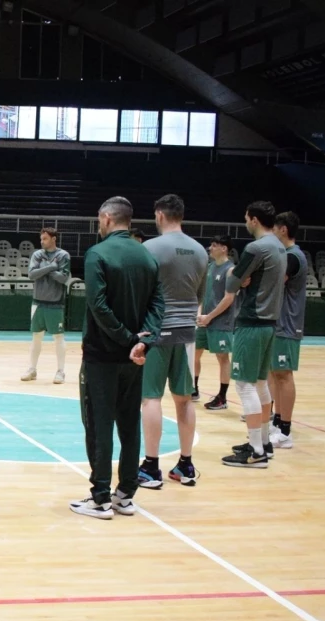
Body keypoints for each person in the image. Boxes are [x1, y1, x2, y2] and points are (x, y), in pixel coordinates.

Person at [70, 196, 164, 520]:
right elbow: (157, 306)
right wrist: (142, 344)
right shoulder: (147, 256)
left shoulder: (97, 254)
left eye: (99, 219)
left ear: (107, 218)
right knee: (129, 424)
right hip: (134, 360)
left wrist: (126, 340)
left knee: (99, 425)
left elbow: (97, 305)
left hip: (102, 357)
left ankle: (100, 498)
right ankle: (125, 494)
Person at [200, 201, 286, 468]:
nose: (245, 223)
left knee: (245, 385)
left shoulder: (256, 247)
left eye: (247, 218)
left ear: (255, 220)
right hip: (270, 323)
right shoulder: (280, 248)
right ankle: (263, 443)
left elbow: (233, 279)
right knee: (260, 383)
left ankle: (256, 452)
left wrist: (242, 279)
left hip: (252, 321)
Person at [136, 194, 207, 490]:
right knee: (184, 399)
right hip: (187, 334)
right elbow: (199, 296)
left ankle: (151, 466)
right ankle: (186, 464)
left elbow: (140, 291)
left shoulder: (150, 248)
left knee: (151, 398)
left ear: (160, 215)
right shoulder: (201, 251)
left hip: (157, 331)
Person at [267, 211, 308, 449]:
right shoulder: (286, 255)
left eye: (275, 229)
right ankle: (277, 420)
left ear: (283, 229)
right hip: (277, 324)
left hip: (288, 324)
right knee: (275, 373)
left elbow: (275, 280)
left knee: (284, 374)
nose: (272, 233)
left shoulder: (293, 257)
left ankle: (285, 430)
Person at [22, 227, 70, 384]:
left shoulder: (63, 255)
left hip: (56, 303)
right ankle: (32, 369)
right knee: (36, 337)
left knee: (58, 337)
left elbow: (63, 278)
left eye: (45, 239)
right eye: (41, 239)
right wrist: (51, 267)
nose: (42, 242)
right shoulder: (37, 254)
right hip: (38, 302)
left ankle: (61, 371)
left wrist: (42, 270)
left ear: (54, 239)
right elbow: (31, 274)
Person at [194, 235, 236, 411]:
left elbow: (229, 298)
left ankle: (222, 397)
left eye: (214, 245)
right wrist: (199, 314)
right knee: (194, 353)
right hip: (204, 319)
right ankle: (193, 388)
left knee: (222, 358)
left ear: (224, 248)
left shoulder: (231, 270)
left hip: (220, 321)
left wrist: (210, 316)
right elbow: (203, 294)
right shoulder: (210, 267)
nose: (210, 248)